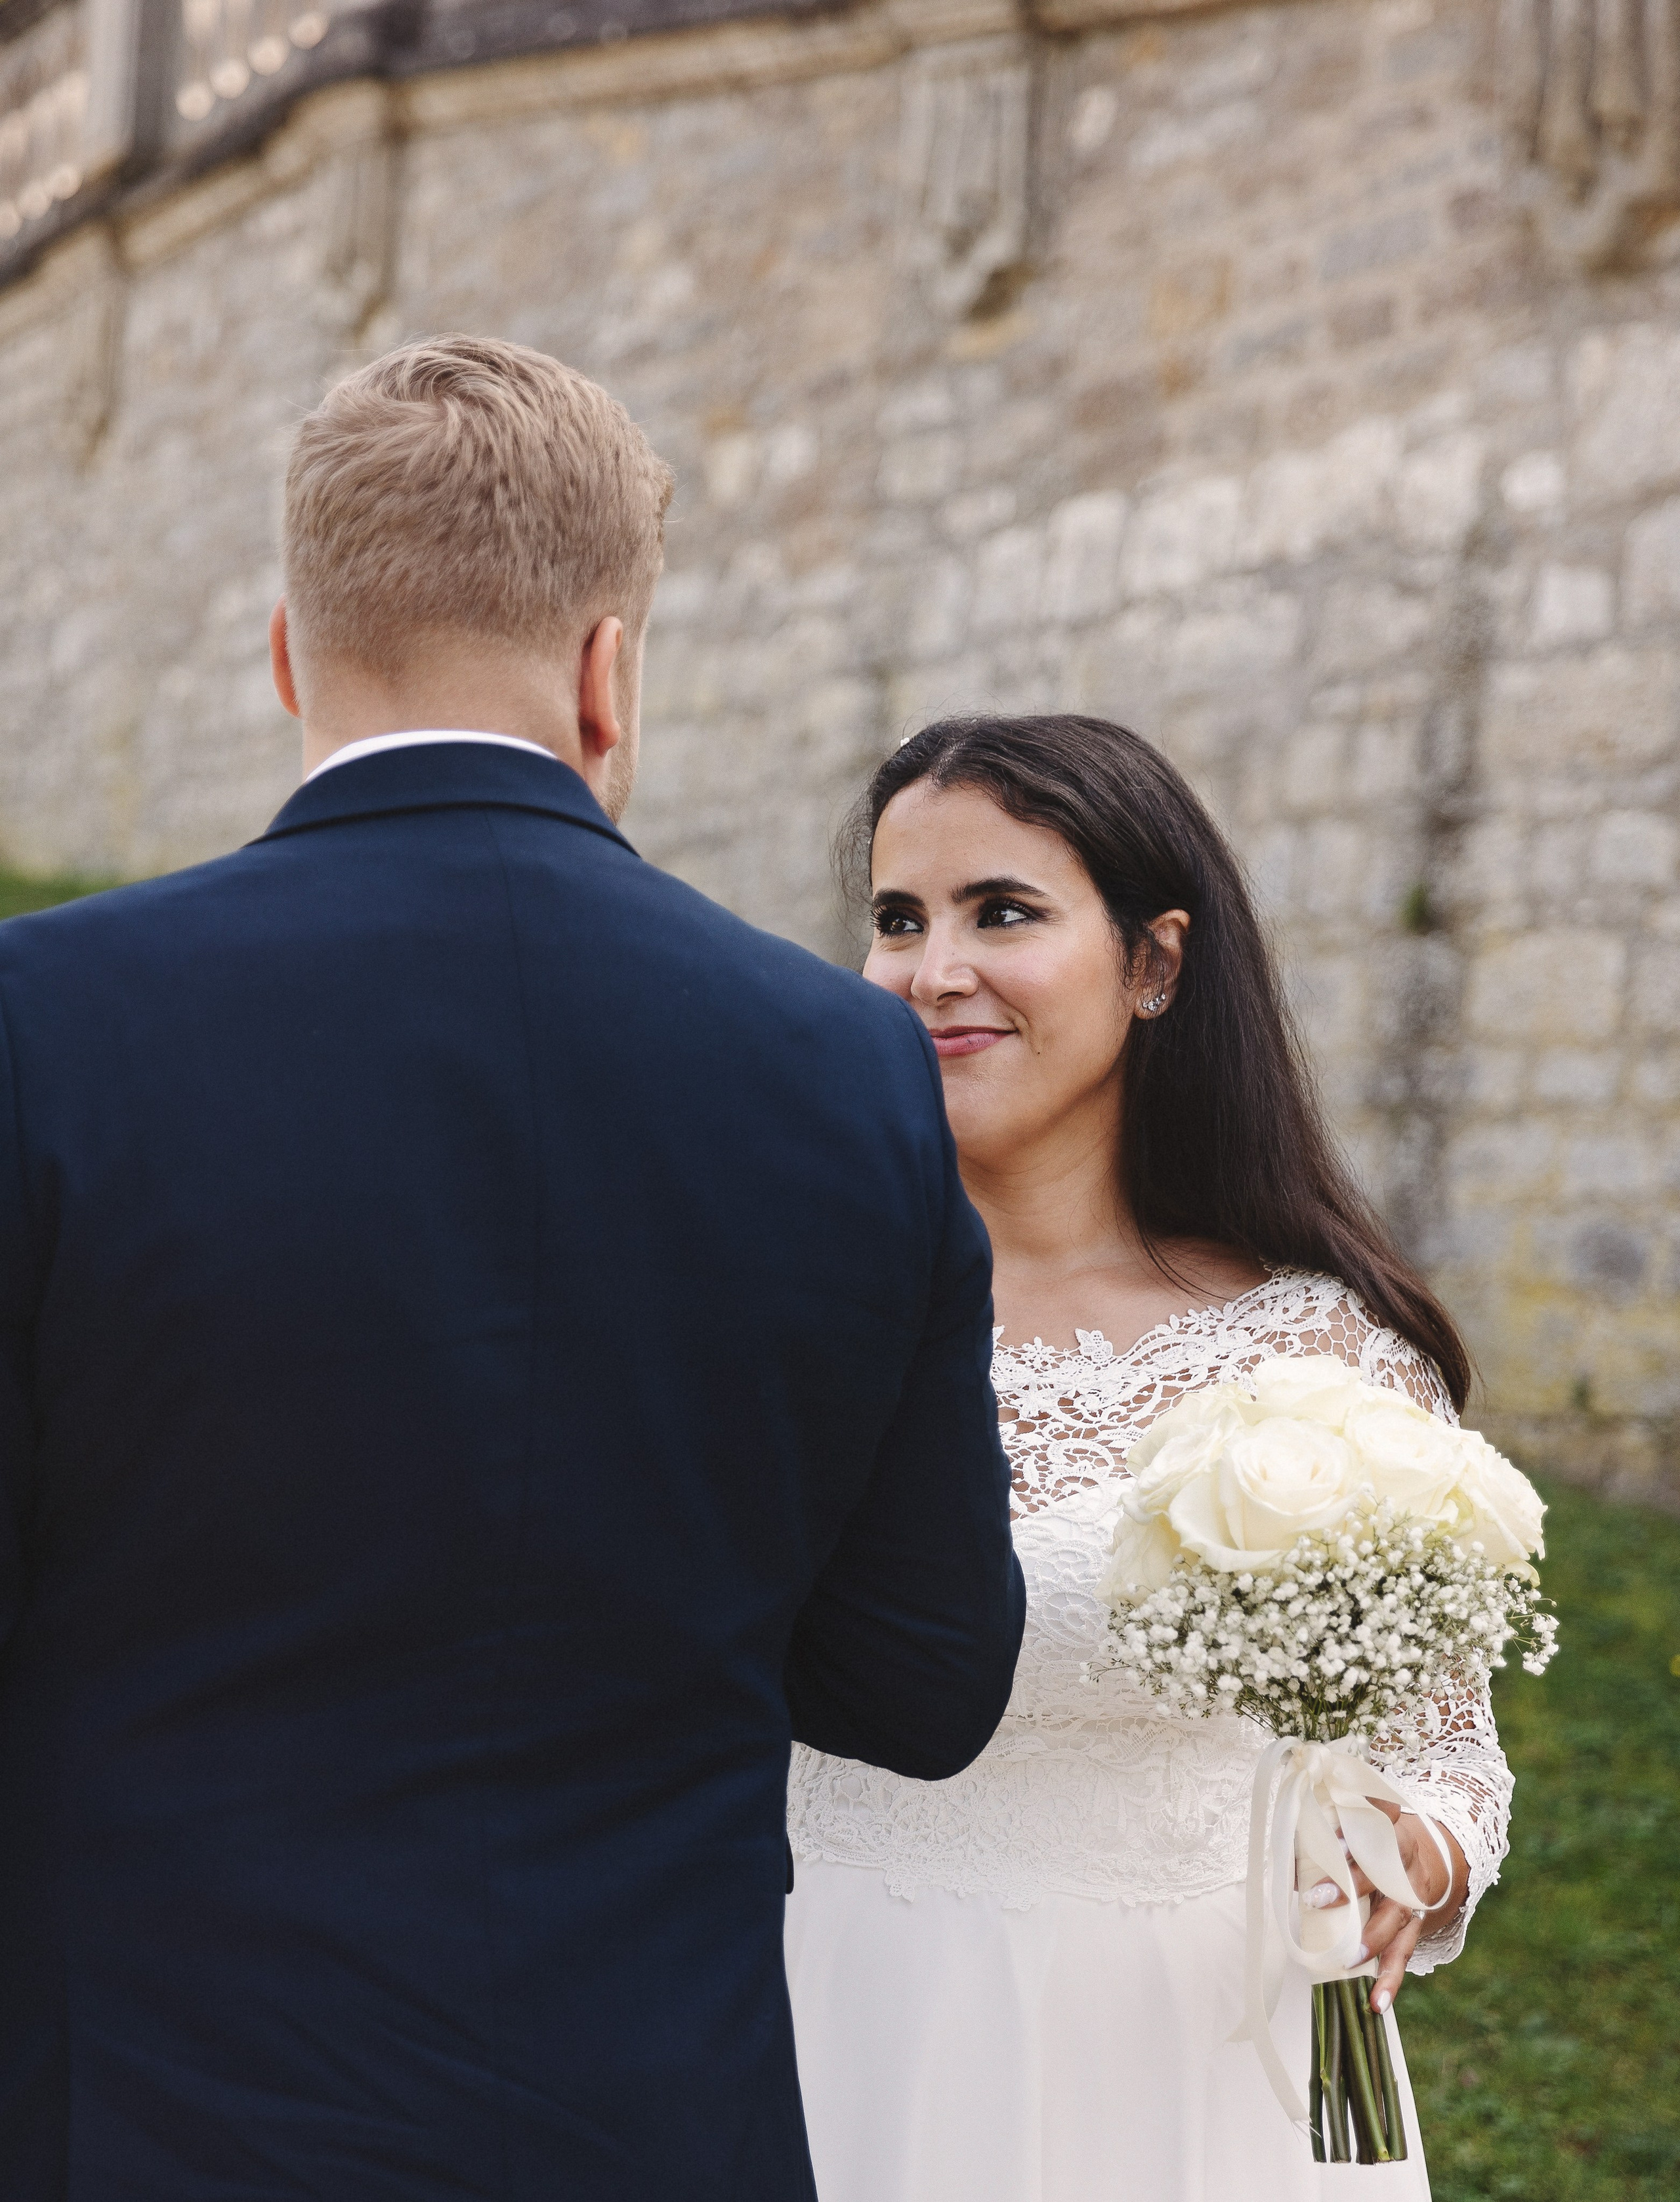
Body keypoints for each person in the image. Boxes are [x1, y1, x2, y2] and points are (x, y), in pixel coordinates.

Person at [0, 337, 1024, 2199]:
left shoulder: (43, 1019)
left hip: (152, 2108)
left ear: (291, 654)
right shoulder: (844, 1067)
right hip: (651, 2120)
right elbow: (925, 1677)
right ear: (607, 672)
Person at [786, 713, 1513, 2201]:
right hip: (837, 2015)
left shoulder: (1318, 1351)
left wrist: (1411, 1855)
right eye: (898, 919)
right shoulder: (775, 1310)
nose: (934, 970)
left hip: (1199, 2061)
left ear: (1154, 963)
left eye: (1001, 912)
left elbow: (1444, 1756)